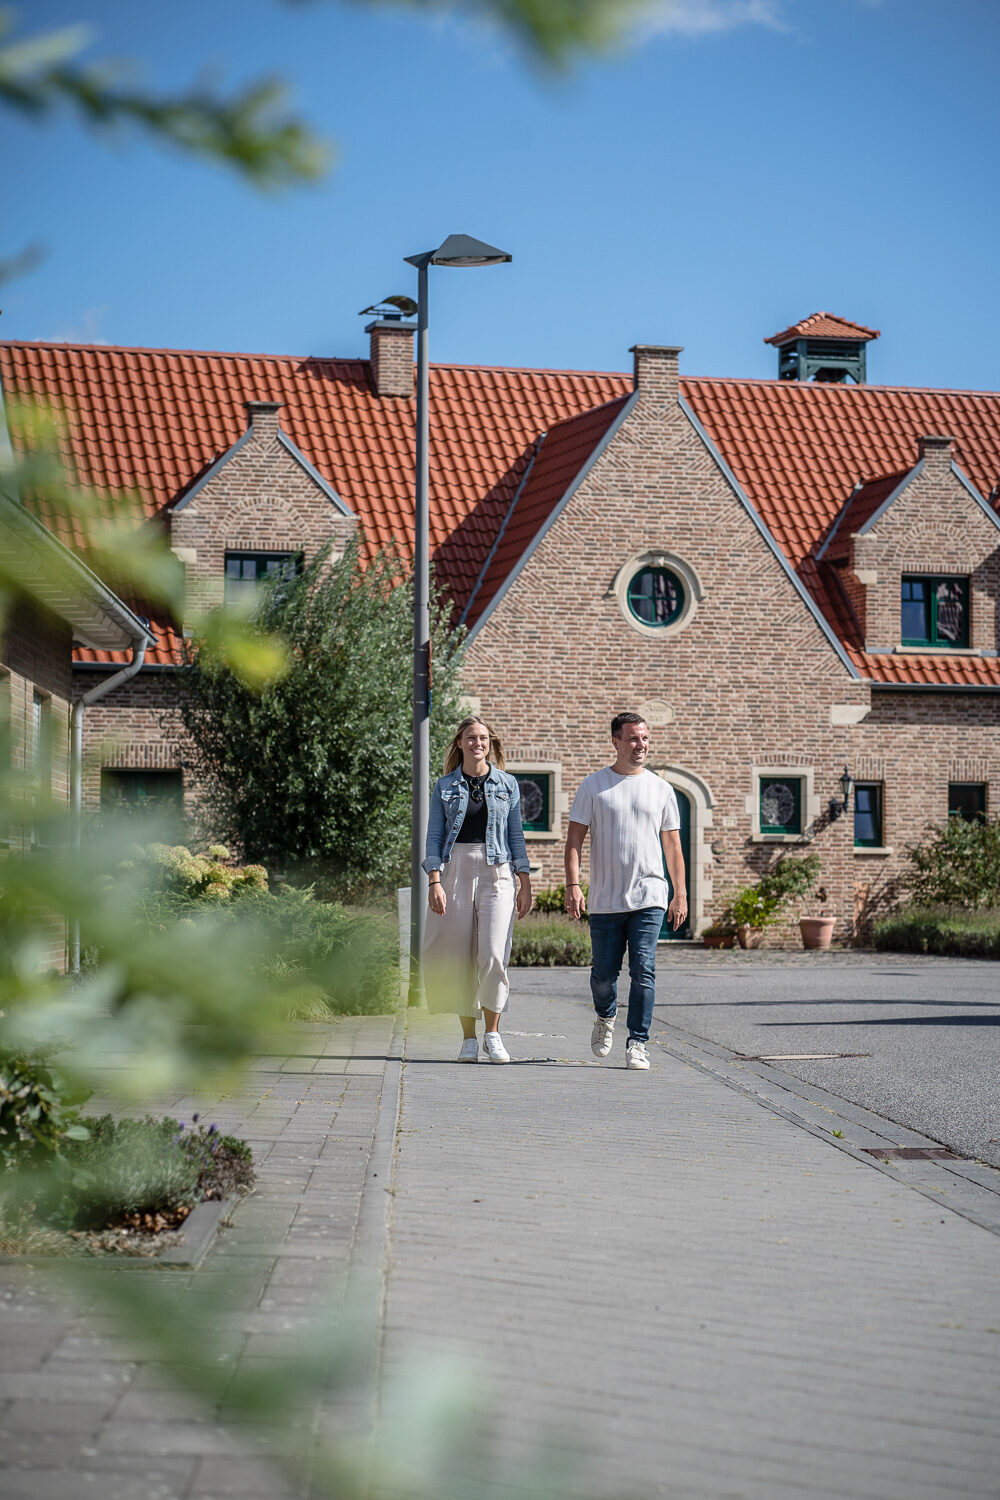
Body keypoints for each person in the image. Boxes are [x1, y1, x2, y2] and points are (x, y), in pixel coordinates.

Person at [564, 712, 687, 1070]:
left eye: (644, 738)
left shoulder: (661, 789)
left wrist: (679, 892)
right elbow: (574, 841)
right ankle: (605, 1015)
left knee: (644, 968)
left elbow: (673, 847)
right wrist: (573, 884)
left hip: (650, 895)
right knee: (603, 975)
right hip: (606, 899)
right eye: (633, 738)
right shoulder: (593, 787)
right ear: (616, 741)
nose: (640, 745)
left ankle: (638, 1042)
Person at [423, 716, 532, 1063]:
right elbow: (434, 837)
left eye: (483, 738)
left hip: (497, 871)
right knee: (460, 956)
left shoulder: (507, 784)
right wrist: (434, 880)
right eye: (471, 738)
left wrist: (525, 881)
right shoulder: (444, 786)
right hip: (454, 870)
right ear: (460, 743)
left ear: (490, 743)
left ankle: (493, 1034)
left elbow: (516, 835)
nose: (477, 743)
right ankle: (468, 1040)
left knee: (494, 953)